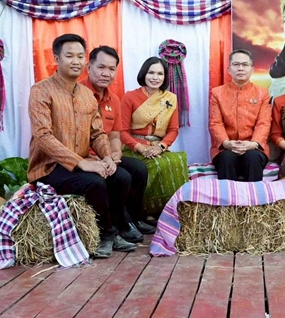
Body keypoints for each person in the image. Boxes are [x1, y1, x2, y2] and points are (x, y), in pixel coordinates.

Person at [27, 34, 137, 259]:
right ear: (56, 58)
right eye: (70, 56)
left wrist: (107, 157)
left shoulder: (87, 95)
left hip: (82, 164)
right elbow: (43, 136)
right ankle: (105, 234)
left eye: (80, 56)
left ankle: (116, 228)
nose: (76, 61)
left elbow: (97, 133)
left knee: (121, 177)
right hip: (49, 167)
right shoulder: (40, 90)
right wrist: (81, 162)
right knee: (94, 182)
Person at [81, 46, 156, 243]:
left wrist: (116, 153)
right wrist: (100, 159)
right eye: (101, 67)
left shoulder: (114, 99)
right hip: (84, 158)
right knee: (121, 176)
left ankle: (134, 218)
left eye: (111, 69)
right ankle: (120, 224)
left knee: (139, 169)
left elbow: (115, 135)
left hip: (106, 155)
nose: (106, 73)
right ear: (89, 67)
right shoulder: (78, 94)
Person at [120, 57, 187, 215]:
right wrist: (140, 148)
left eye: (160, 74)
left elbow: (173, 130)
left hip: (157, 147)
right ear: (144, 73)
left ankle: (168, 211)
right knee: (155, 165)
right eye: (151, 72)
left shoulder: (170, 98)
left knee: (177, 161)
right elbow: (122, 131)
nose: (155, 77)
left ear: (165, 77)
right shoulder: (130, 97)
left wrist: (161, 147)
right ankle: (145, 211)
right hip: (133, 147)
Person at [210, 49, 272, 181]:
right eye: (236, 64)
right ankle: (227, 195)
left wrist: (254, 144)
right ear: (229, 69)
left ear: (252, 69)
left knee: (252, 157)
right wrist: (227, 143)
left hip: (255, 148)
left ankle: (255, 195)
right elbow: (215, 123)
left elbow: (264, 123)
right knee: (227, 158)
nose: (240, 68)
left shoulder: (263, 93)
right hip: (225, 148)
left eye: (245, 64)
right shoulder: (217, 93)